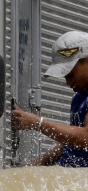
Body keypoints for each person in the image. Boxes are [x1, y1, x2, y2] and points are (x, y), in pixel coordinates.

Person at [12, 30, 88, 166]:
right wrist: (34, 167)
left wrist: (38, 123)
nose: (68, 82)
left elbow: (86, 138)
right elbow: (70, 145)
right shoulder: (79, 98)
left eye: (71, 75)